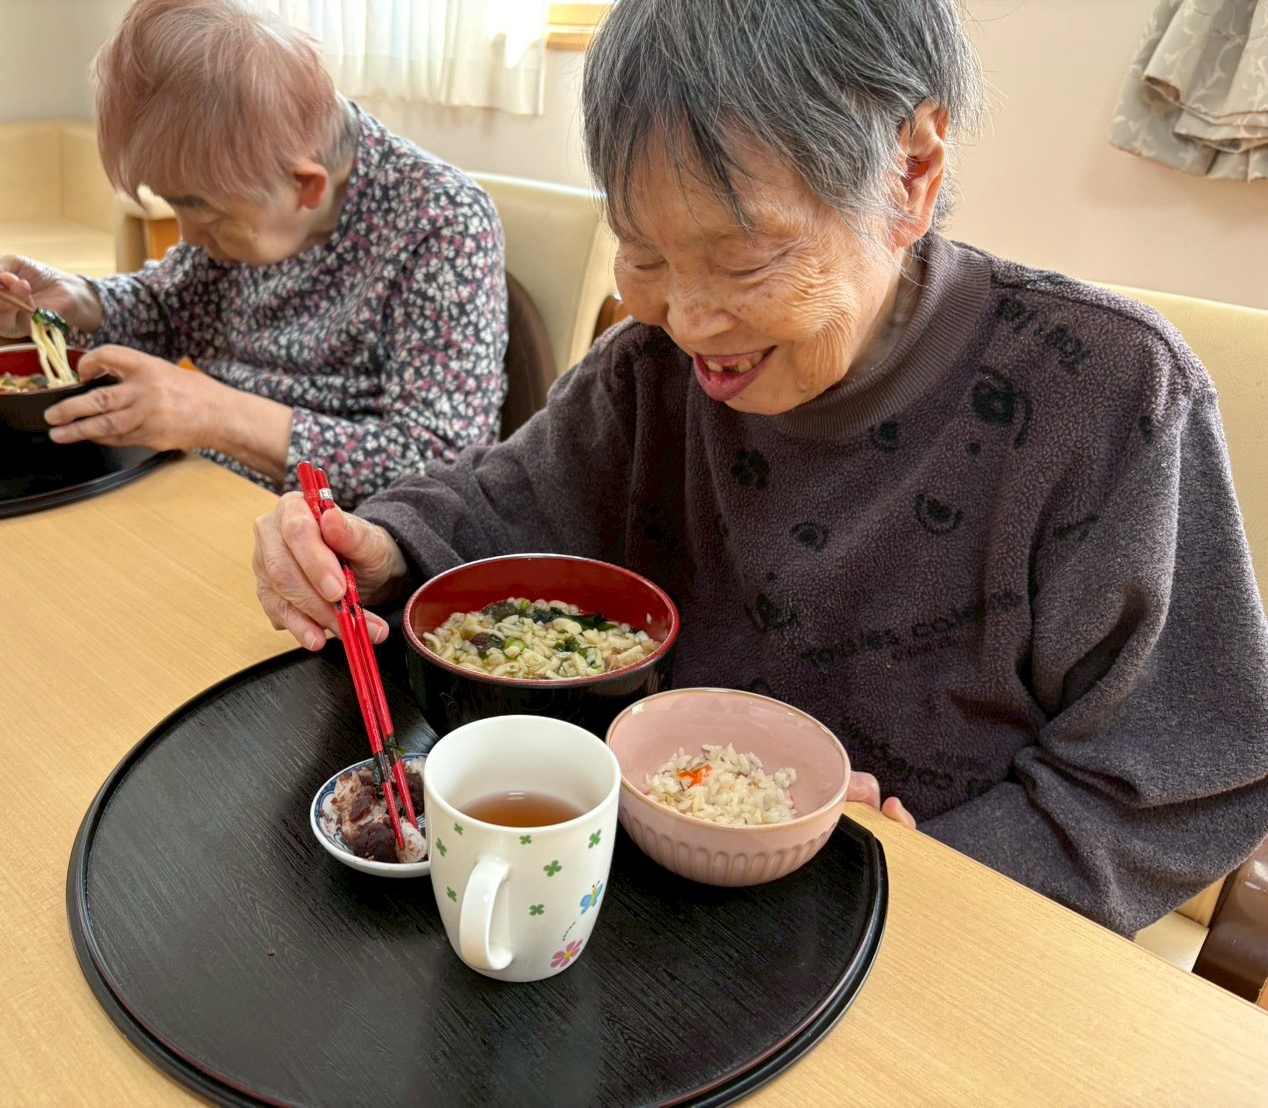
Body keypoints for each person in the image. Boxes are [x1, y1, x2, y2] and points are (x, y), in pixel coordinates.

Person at [250, 0, 1268, 935]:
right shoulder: (647, 372)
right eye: (640, 250)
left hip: (934, 944)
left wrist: (917, 876)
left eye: (740, 259)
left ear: (909, 170)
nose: (687, 322)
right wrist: (372, 544)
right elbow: (499, 499)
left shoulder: (1102, 396)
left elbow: (1176, 774)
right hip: (654, 908)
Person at [0, 0, 507, 507]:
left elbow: (441, 469)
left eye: (204, 211)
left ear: (305, 186)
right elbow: (169, 308)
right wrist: (80, 301)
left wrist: (212, 414)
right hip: (199, 486)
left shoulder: (442, 223)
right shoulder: (248, 191)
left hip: (339, 546)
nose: (189, 236)